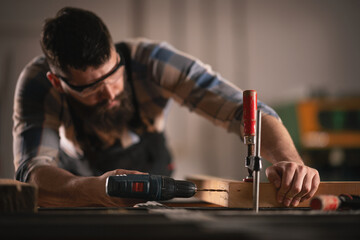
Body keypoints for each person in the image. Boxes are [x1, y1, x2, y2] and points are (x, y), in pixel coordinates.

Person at [13, 7, 320, 207]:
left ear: (115, 52)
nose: (109, 94)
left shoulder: (153, 61)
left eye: (113, 75)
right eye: (90, 87)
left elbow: (245, 112)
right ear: (58, 82)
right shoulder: (37, 83)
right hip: (76, 188)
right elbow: (34, 172)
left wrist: (290, 163)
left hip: (155, 176)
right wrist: (93, 189)